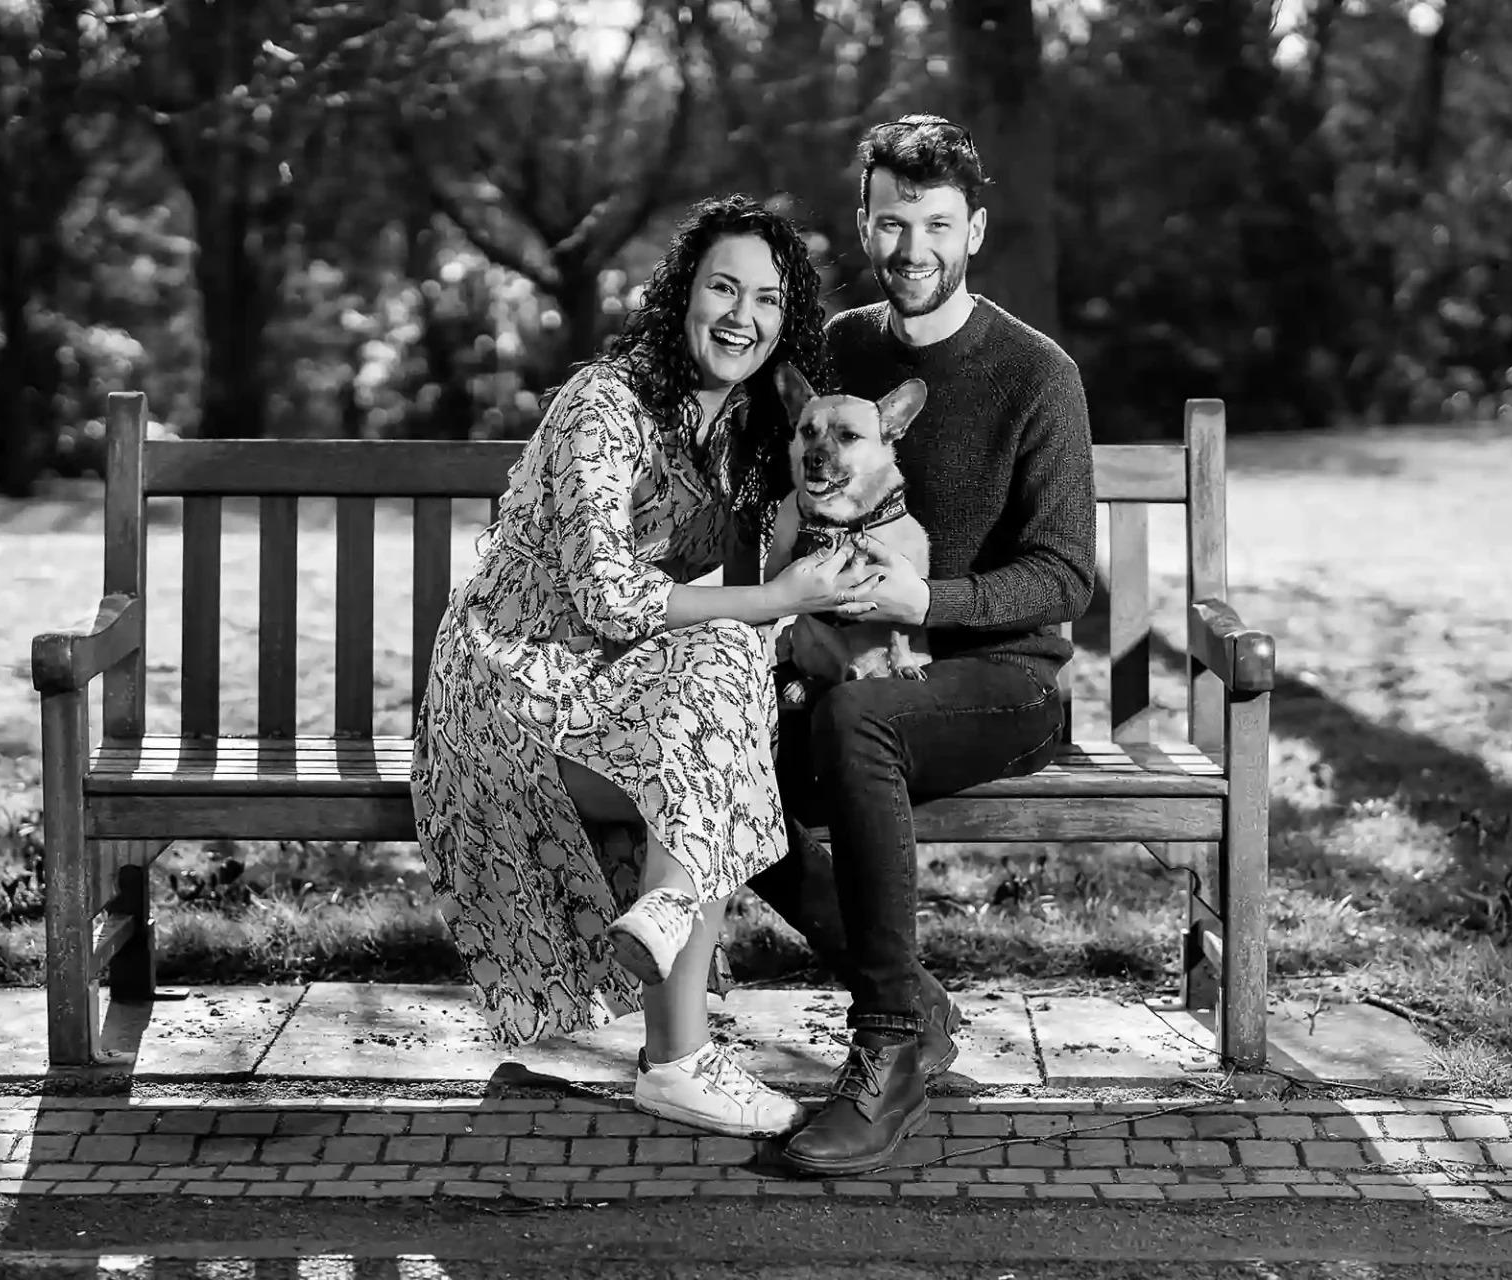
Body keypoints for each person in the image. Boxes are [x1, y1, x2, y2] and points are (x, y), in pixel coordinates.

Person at [411, 194, 878, 1138]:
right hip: (509, 685)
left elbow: (748, 588)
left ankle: (673, 954)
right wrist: (777, 602)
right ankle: (680, 1052)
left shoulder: (739, 435)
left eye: (769, 300)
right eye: (723, 288)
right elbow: (612, 600)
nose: (744, 317)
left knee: (723, 663)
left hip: (614, 683)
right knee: (722, 674)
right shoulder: (604, 405)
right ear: (683, 296)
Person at [746, 115, 1098, 1176]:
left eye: (936, 225)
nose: (913, 249)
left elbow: (1064, 572)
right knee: (714, 753)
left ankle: (889, 1047)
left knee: (856, 723)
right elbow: (768, 480)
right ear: (864, 223)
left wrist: (927, 598)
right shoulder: (838, 354)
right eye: (892, 223)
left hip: (1004, 678)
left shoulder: (1038, 374)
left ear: (974, 229)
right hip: (851, 669)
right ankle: (917, 1004)